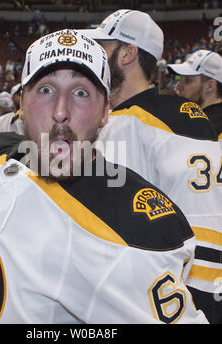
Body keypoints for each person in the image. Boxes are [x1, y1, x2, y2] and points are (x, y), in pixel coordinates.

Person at [0, 29, 207, 324]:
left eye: (81, 93)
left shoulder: (130, 229)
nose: (60, 111)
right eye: (45, 90)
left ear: (105, 112)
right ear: (22, 105)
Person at [81, 10, 222, 323]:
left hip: (160, 285)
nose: (95, 57)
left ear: (128, 53)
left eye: (104, 47)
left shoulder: (124, 124)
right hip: (203, 278)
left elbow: (109, 223)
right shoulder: (186, 114)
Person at [168, 49, 222, 144]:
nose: (178, 85)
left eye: (188, 80)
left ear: (210, 86)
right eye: (181, 79)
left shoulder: (203, 127)